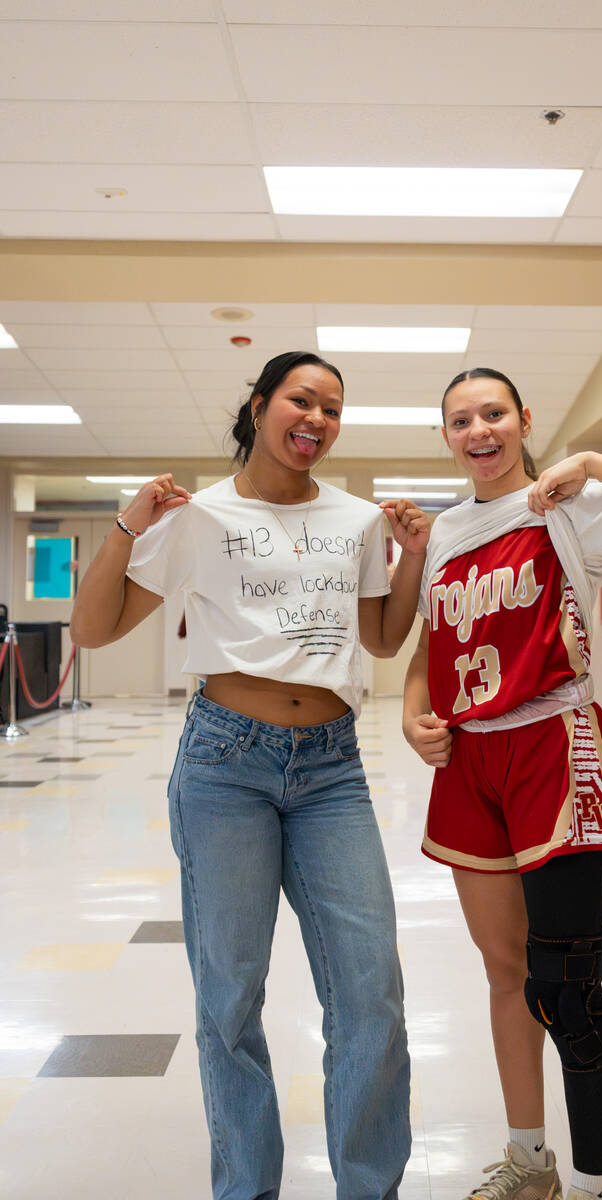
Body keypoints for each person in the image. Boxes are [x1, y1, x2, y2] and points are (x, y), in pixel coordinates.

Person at [70, 351, 430, 1200]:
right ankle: (247, 1189)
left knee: (371, 991)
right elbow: (92, 626)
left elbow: (380, 639)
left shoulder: (355, 521)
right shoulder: (200, 517)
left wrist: (411, 556)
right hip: (225, 764)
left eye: (333, 409)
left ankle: (368, 1187)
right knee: (229, 1002)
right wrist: (128, 524)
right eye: (301, 401)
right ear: (261, 405)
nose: (317, 420)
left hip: (333, 769)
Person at [402, 368, 602, 1200]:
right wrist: (413, 712)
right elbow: (430, 643)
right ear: (445, 436)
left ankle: (592, 1186)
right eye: (461, 419)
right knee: (504, 972)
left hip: (555, 742)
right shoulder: (442, 536)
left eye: (494, 414)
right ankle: (530, 1164)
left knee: (565, 985)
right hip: (471, 761)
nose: (480, 430)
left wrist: (596, 463)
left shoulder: (569, 505)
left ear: (522, 419)